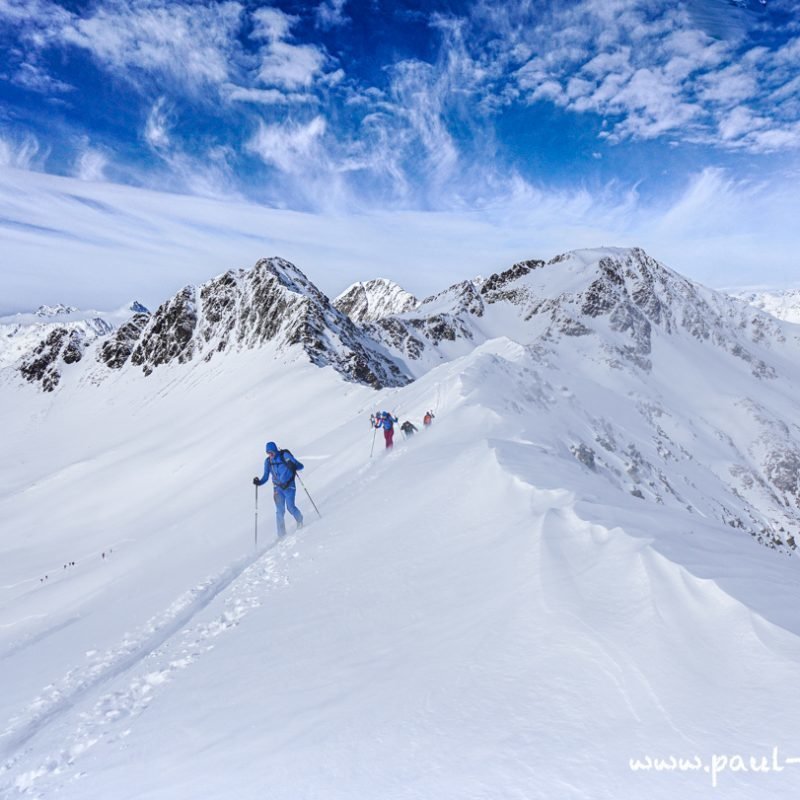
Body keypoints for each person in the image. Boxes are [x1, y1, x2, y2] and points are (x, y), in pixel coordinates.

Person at [253, 441, 304, 537]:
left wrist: (293, 466)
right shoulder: (268, 462)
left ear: (275, 450)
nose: (270, 455)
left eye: (271, 452)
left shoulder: (284, 456)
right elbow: (265, 477)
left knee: (290, 507)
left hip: (289, 486)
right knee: (279, 511)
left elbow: (300, 466)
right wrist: (259, 482)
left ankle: (300, 520)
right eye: (268, 453)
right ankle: (281, 535)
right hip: (277, 489)